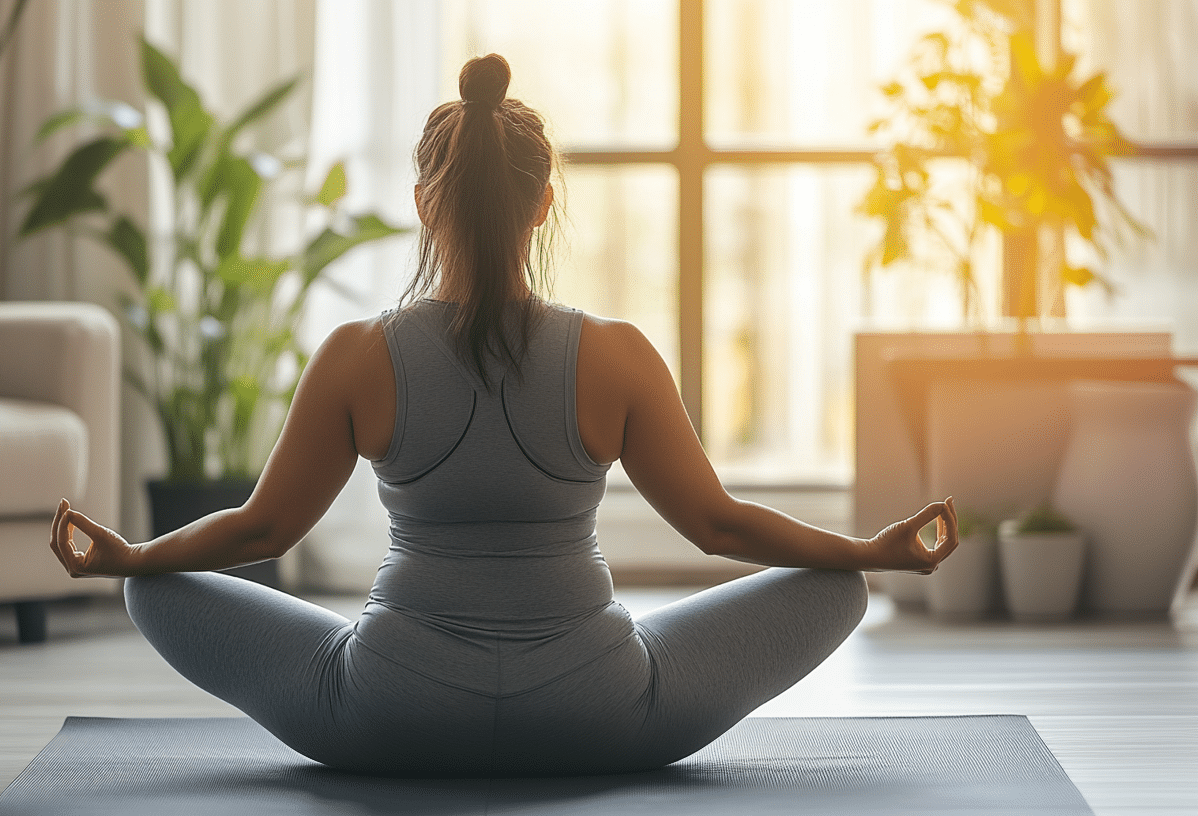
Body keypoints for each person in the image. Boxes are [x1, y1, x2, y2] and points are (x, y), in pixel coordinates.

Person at [48, 53, 958, 778]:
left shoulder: (358, 356)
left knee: (151, 587)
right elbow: (717, 526)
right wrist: (870, 551)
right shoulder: (615, 354)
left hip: (391, 712)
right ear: (543, 203)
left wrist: (133, 557)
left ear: (422, 204)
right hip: (599, 711)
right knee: (839, 586)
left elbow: (264, 529)